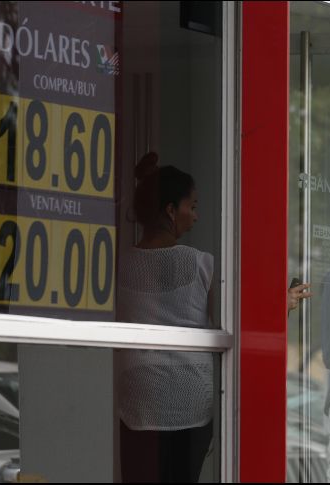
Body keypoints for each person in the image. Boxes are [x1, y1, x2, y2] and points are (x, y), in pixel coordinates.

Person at [115, 153, 214, 483]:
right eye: (192, 206)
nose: (195, 216)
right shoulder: (201, 264)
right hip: (191, 402)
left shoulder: (118, 265)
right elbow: (236, 324)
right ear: (171, 210)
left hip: (138, 402)